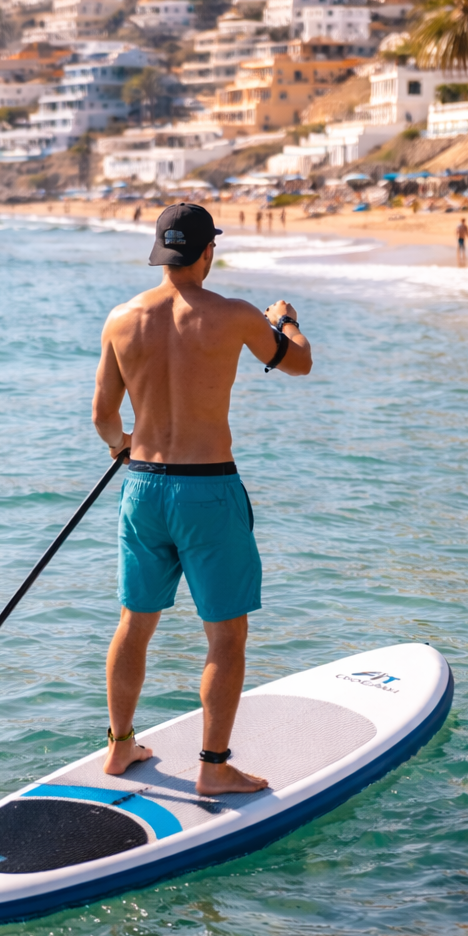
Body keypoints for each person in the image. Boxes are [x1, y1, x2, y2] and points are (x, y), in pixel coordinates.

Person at [92, 202, 313, 796]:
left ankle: (119, 748)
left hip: (141, 488)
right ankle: (213, 766)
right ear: (207, 252)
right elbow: (301, 364)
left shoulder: (121, 319)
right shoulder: (236, 316)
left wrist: (123, 449)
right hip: (208, 491)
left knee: (134, 624)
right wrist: (284, 320)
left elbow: (103, 417)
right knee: (226, 635)